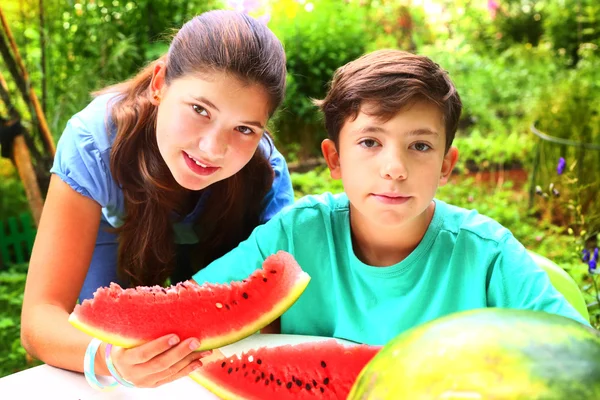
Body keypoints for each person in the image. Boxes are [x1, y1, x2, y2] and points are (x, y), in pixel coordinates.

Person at [192, 49, 590, 346]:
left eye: (419, 146)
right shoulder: (295, 235)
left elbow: (577, 355)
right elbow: (193, 312)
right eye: (369, 141)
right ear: (334, 158)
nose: (394, 168)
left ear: (446, 165)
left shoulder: (487, 254)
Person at [21, 10, 293, 388]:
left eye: (244, 128)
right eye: (200, 110)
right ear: (160, 83)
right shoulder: (92, 144)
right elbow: (39, 320)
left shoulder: (268, 172)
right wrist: (109, 358)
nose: (213, 148)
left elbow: (279, 322)